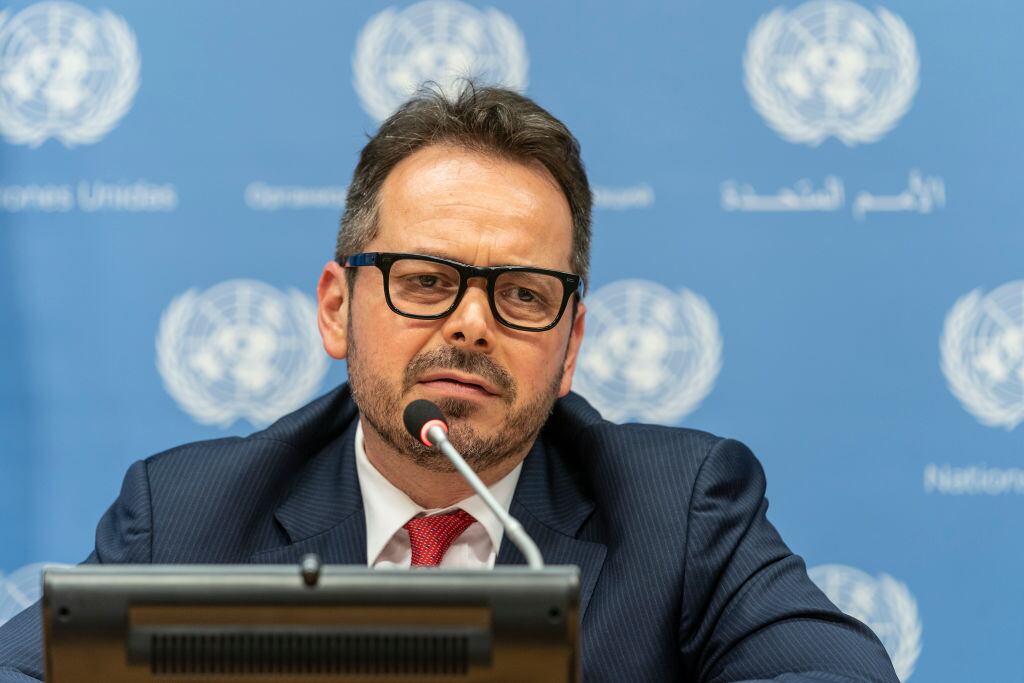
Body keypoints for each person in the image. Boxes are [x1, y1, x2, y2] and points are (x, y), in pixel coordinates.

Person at [0, 84, 899, 682]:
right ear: (336, 308)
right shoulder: (188, 512)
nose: (471, 324)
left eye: (521, 293)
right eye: (426, 279)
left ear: (572, 340)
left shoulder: (678, 510)